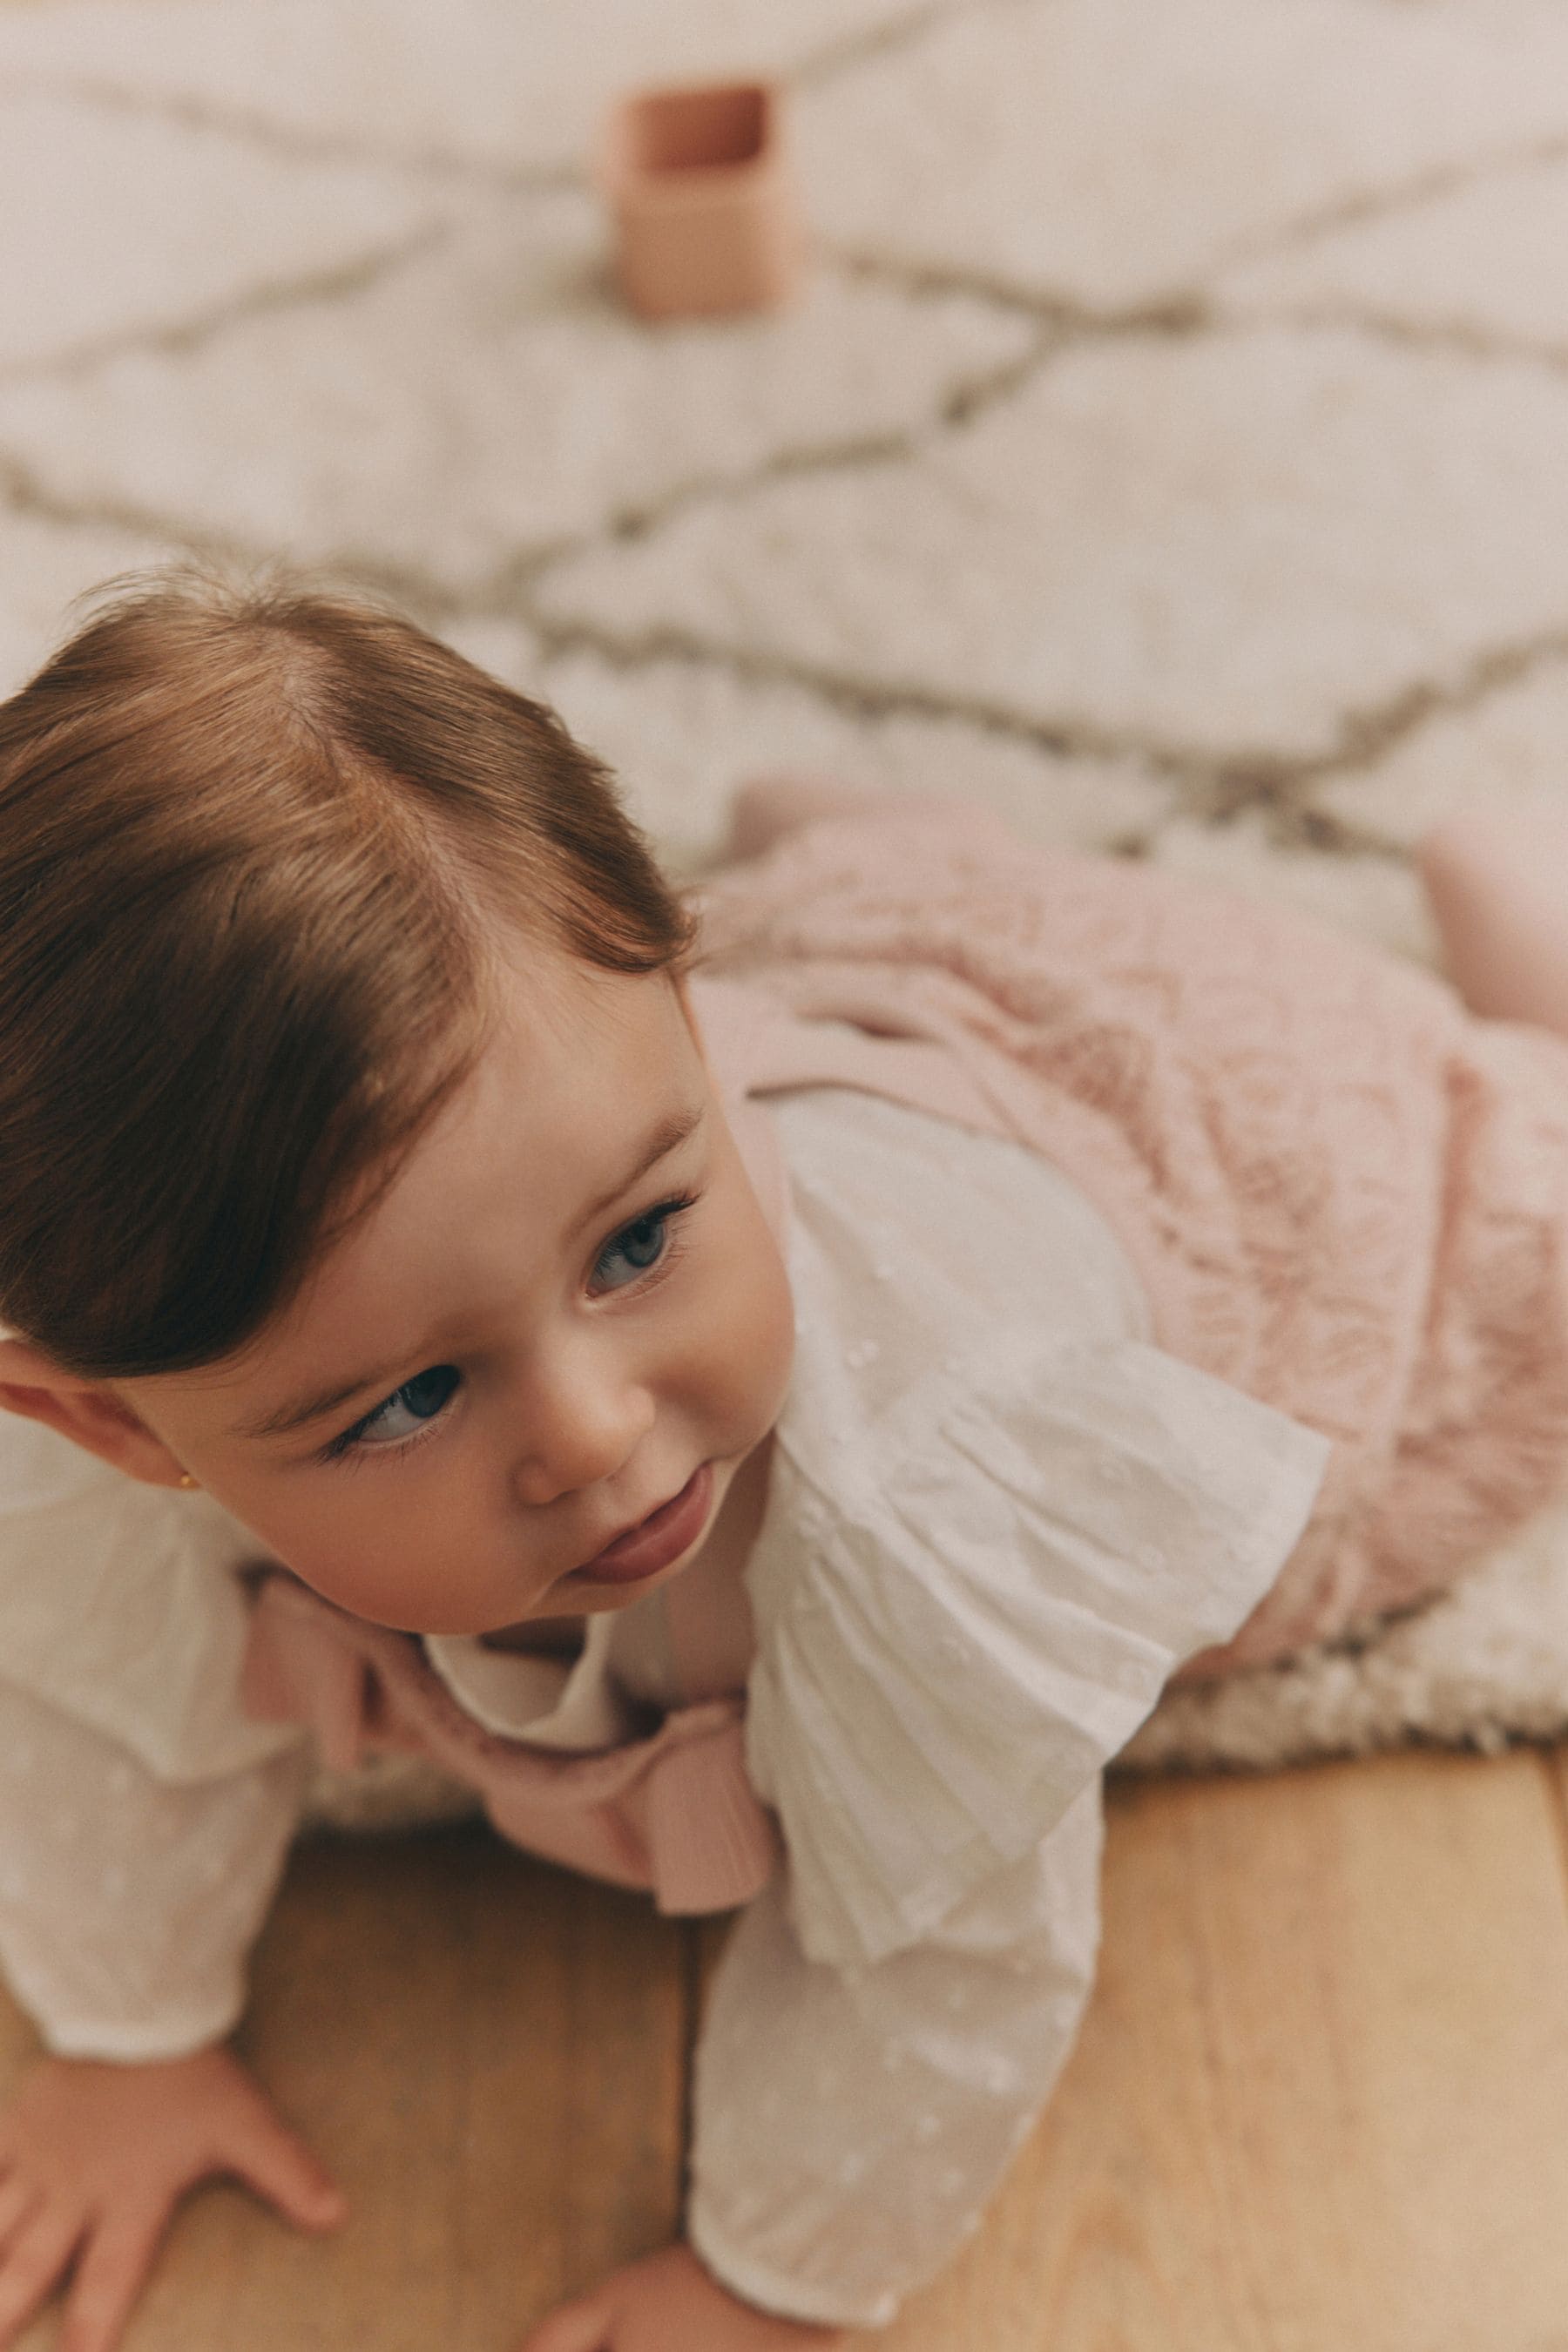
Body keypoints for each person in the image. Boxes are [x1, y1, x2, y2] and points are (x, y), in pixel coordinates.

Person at [0, 572, 1565, 2352]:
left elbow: (946, 1947)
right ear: (111, 1424)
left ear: (681, 991)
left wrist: (775, 2281)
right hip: (888, 1045)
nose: (596, 1433)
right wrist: (128, 2034)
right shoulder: (163, 1398)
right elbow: (83, 1690)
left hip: (1239, 1189)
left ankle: (1521, 995)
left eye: (640, 1242)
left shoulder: (925, 1476)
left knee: (1525, 1230)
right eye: (409, 1402)